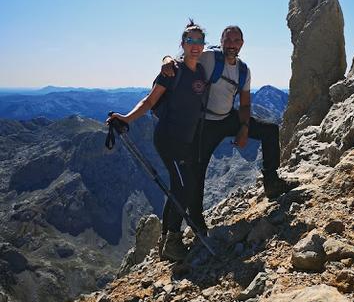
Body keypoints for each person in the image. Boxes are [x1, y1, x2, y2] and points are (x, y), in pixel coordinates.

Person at [162, 25, 295, 235]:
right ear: (221, 41)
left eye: (236, 40)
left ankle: (272, 182)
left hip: (227, 118)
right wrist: (167, 60)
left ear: (242, 44)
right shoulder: (209, 57)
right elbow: (183, 58)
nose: (232, 44)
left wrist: (243, 128)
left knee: (269, 131)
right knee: (196, 174)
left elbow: (244, 104)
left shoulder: (243, 70)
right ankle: (192, 225)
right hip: (204, 124)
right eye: (228, 40)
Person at [107, 20, 207, 262]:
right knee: (184, 188)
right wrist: (127, 118)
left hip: (187, 139)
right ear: (182, 44)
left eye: (199, 41)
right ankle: (172, 242)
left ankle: (166, 238)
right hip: (168, 138)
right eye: (190, 41)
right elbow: (150, 101)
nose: (195, 46)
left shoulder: (201, 72)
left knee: (181, 187)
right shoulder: (171, 72)